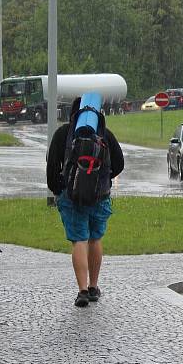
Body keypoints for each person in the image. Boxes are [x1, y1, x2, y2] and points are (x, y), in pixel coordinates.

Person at [46, 97, 124, 308]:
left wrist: (59, 189)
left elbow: (52, 165)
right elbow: (119, 163)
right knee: (95, 239)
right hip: (100, 197)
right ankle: (93, 286)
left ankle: (81, 291)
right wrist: (103, 180)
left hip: (71, 196)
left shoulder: (63, 134)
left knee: (79, 240)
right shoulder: (105, 134)